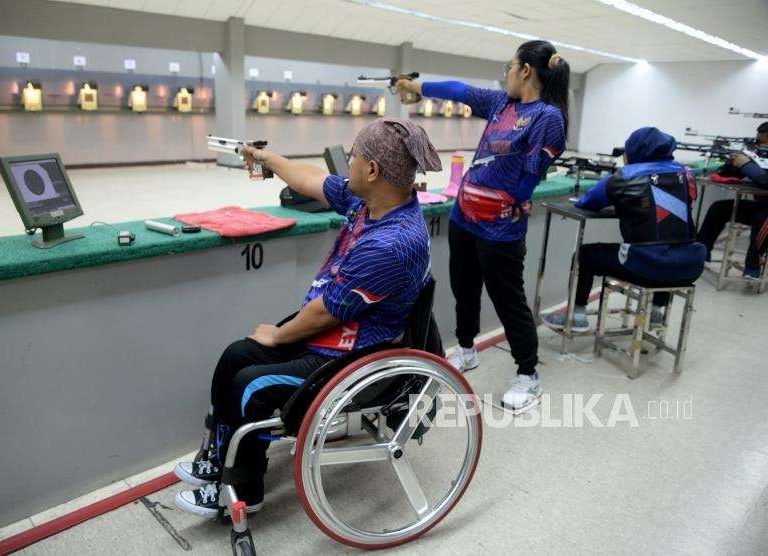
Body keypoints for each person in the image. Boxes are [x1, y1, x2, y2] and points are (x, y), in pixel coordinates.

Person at [173, 118, 441, 517]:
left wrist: (279, 336)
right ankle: (220, 455)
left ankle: (243, 490)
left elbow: (326, 311)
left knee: (252, 384)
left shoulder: (393, 243)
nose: (346, 164)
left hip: (354, 358)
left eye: (353, 157)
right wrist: (266, 158)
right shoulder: (368, 201)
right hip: (338, 334)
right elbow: (311, 178)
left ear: (372, 170)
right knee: (236, 355)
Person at [396, 40, 568, 410]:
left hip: (501, 228)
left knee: (509, 301)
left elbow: (530, 175)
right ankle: (468, 348)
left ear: (525, 71)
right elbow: (460, 91)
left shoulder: (547, 117)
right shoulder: (501, 103)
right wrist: (417, 86)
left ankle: (528, 374)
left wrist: (505, 201)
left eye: (510, 66)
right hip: (465, 217)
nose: (505, 73)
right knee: (465, 287)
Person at [541, 127, 706, 331]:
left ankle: (576, 315)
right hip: (689, 266)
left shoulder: (626, 175)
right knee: (670, 245)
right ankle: (655, 312)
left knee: (585, 255)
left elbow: (589, 201)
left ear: (635, 151)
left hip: (648, 266)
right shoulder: (686, 173)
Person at [696, 122, 768, 280]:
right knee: (719, 209)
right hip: (762, 206)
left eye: (762, 142)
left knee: (761, 219)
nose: (758, 146)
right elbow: (729, 174)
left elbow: (764, 180)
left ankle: (752, 268)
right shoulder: (760, 158)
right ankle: (700, 253)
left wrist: (747, 164)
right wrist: (732, 162)